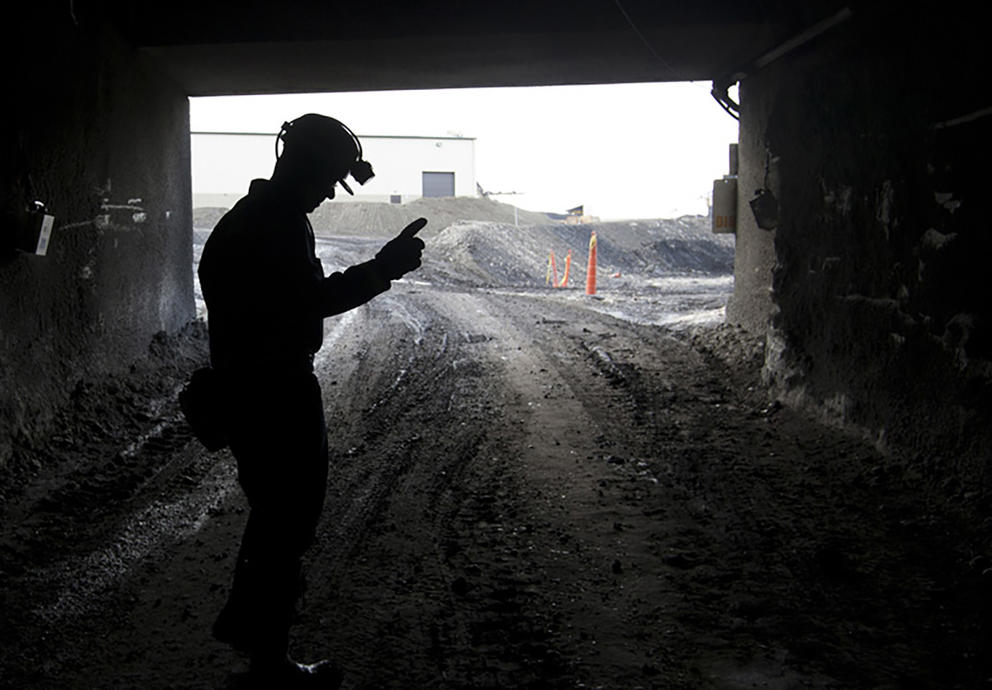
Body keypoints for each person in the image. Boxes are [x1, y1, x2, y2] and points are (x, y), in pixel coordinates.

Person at [197, 113, 426, 687]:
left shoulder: (254, 218)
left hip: (253, 388)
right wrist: (383, 269)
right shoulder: (275, 223)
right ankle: (268, 661)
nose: (330, 192)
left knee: (276, 518)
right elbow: (306, 303)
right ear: (305, 167)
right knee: (287, 522)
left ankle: (252, 634)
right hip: (275, 392)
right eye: (329, 178)